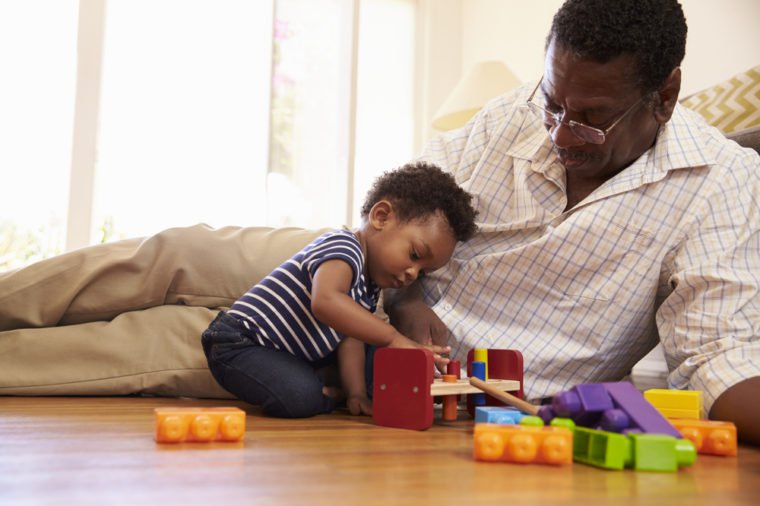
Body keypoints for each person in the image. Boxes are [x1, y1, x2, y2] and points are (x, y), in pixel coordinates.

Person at [1, 0, 758, 444]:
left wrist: (392, 323)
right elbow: (413, 197)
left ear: (664, 95)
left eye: (587, 121)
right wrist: (407, 296)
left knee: (155, 342)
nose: (558, 134)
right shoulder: (519, 114)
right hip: (361, 264)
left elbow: (719, 356)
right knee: (173, 253)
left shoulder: (722, 185)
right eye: (553, 104)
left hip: (367, 357)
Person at [200, 162, 477, 418]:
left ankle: (341, 390)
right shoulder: (343, 247)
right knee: (300, 396)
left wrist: (357, 393)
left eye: (423, 272)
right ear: (381, 217)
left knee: (371, 360)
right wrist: (393, 338)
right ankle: (324, 394)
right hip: (239, 344)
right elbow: (326, 301)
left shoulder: (369, 289)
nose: (412, 274)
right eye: (415, 254)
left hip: (284, 354)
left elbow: (350, 339)